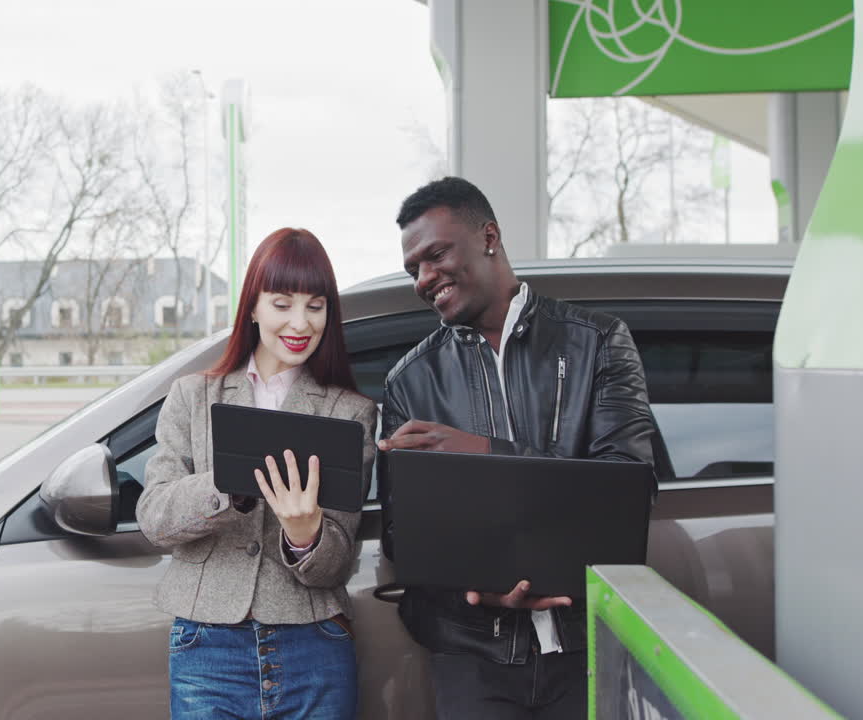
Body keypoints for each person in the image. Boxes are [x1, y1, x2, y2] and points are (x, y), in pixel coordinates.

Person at [375, 178, 669, 719]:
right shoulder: (408, 382)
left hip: (587, 644)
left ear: (489, 236)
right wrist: (479, 587)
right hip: (470, 654)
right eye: (413, 267)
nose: (424, 278)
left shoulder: (597, 342)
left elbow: (626, 486)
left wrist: (485, 452)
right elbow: (401, 536)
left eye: (436, 254)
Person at [137, 228, 378, 720]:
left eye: (315, 306)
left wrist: (306, 534)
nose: (300, 322)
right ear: (253, 307)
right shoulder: (192, 396)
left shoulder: (350, 412)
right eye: (282, 303)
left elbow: (335, 567)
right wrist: (227, 487)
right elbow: (154, 518)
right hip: (208, 646)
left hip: (314, 644)